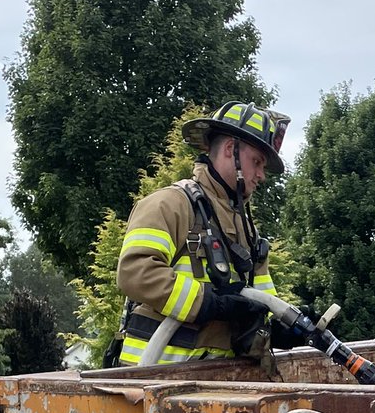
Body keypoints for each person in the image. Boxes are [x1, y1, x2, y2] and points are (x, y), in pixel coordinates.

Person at [114, 101, 290, 367]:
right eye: (257, 162)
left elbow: (261, 297)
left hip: (217, 383)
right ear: (231, 150)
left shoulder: (246, 229)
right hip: (151, 383)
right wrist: (207, 303)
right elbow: (135, 273)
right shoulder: (170, 205)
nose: (261, 175)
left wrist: (283, 325)